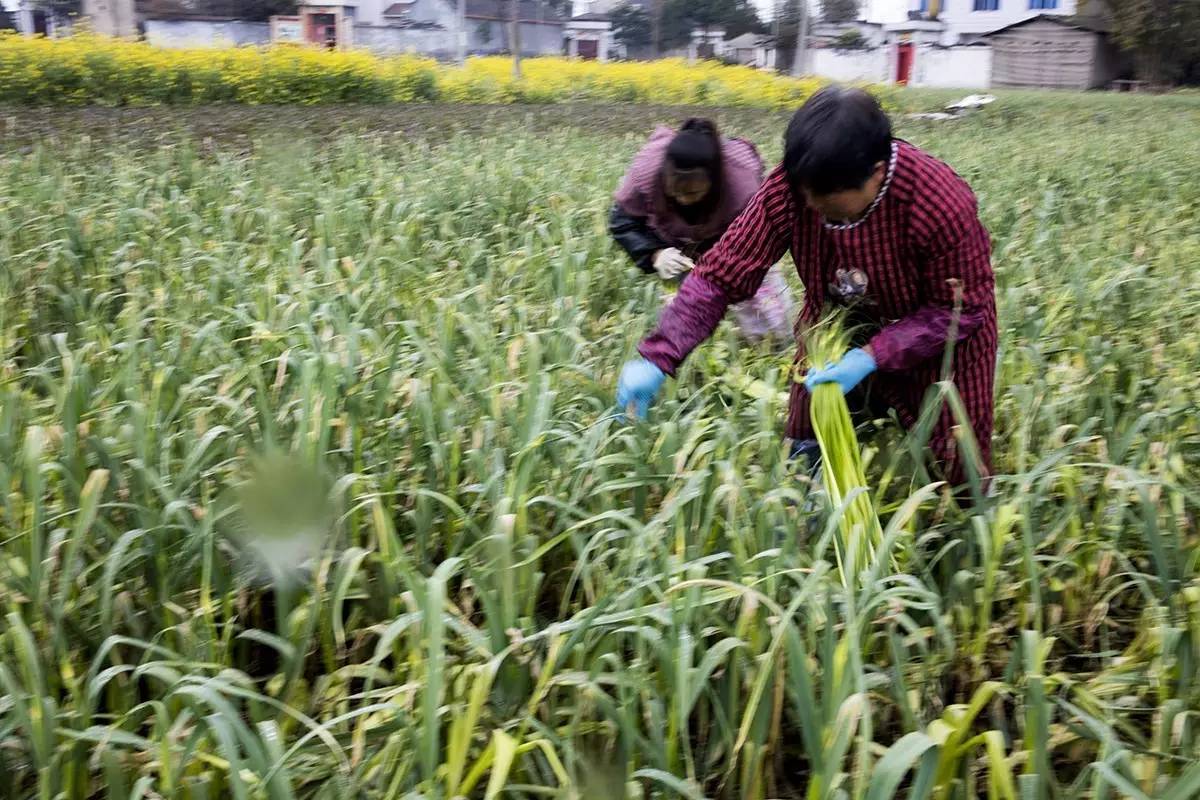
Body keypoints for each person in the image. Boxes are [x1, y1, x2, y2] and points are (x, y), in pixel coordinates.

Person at [616, 88, 997, 488]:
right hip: (834, 330)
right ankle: (811, 515)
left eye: (829, 206)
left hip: (942, 343)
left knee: (957, 459)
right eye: (807, 197)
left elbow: (960, 308)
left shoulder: (937, 201)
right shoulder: (794, 188)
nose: (812, 209)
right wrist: (659, 355)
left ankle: (969, 529)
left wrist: (873, 354)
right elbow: (721, 273)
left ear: (877, 174)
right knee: (807, 447)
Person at [609, 118, 794, 343]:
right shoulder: (647, 172)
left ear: (713, 181)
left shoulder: (741, 184)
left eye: (693, 193)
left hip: (736, 238)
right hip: (680, 247)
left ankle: (772, 348)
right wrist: (655, 254)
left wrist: (727, 272)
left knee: (766, 313)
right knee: (684, 311)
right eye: (675, 193)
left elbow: (759, 242)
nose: (683, 200)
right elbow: (622, 221)